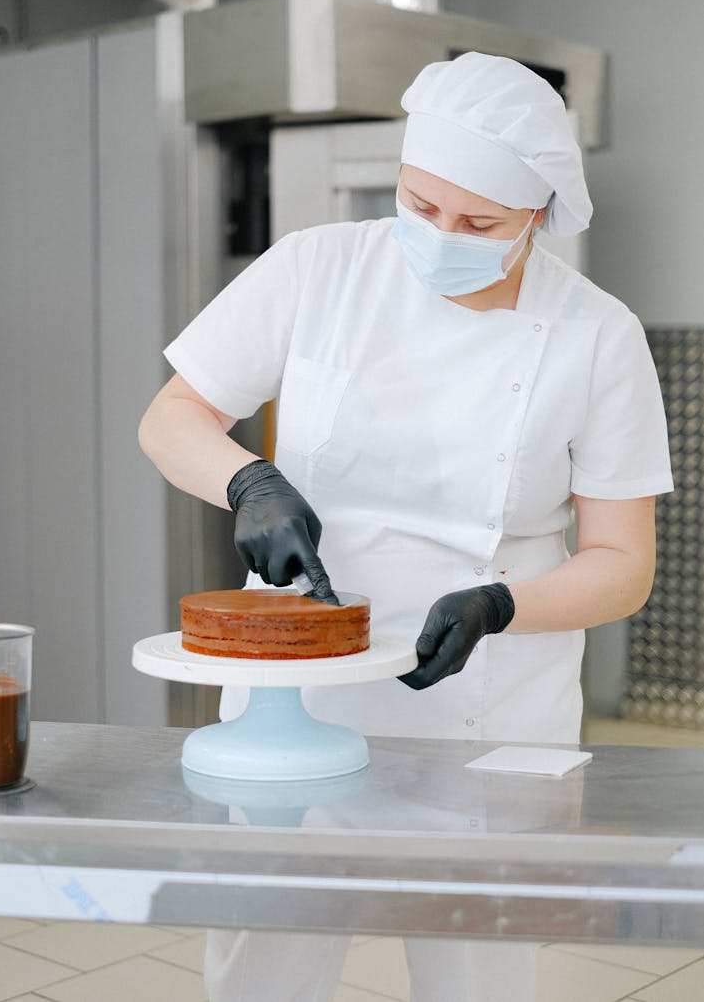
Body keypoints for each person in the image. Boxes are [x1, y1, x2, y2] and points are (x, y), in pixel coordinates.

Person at [138, 52, 673, 1002]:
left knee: (479, 978)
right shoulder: (319, 267)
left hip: (490, 708)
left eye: (478, 224)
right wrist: (249, 480)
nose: (439, 236)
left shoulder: (599, 333)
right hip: (296, 704)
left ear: (536, 218)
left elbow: (623, 563)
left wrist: (502, 603)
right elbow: (171, 417)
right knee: (266, 969)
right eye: (420, 205)